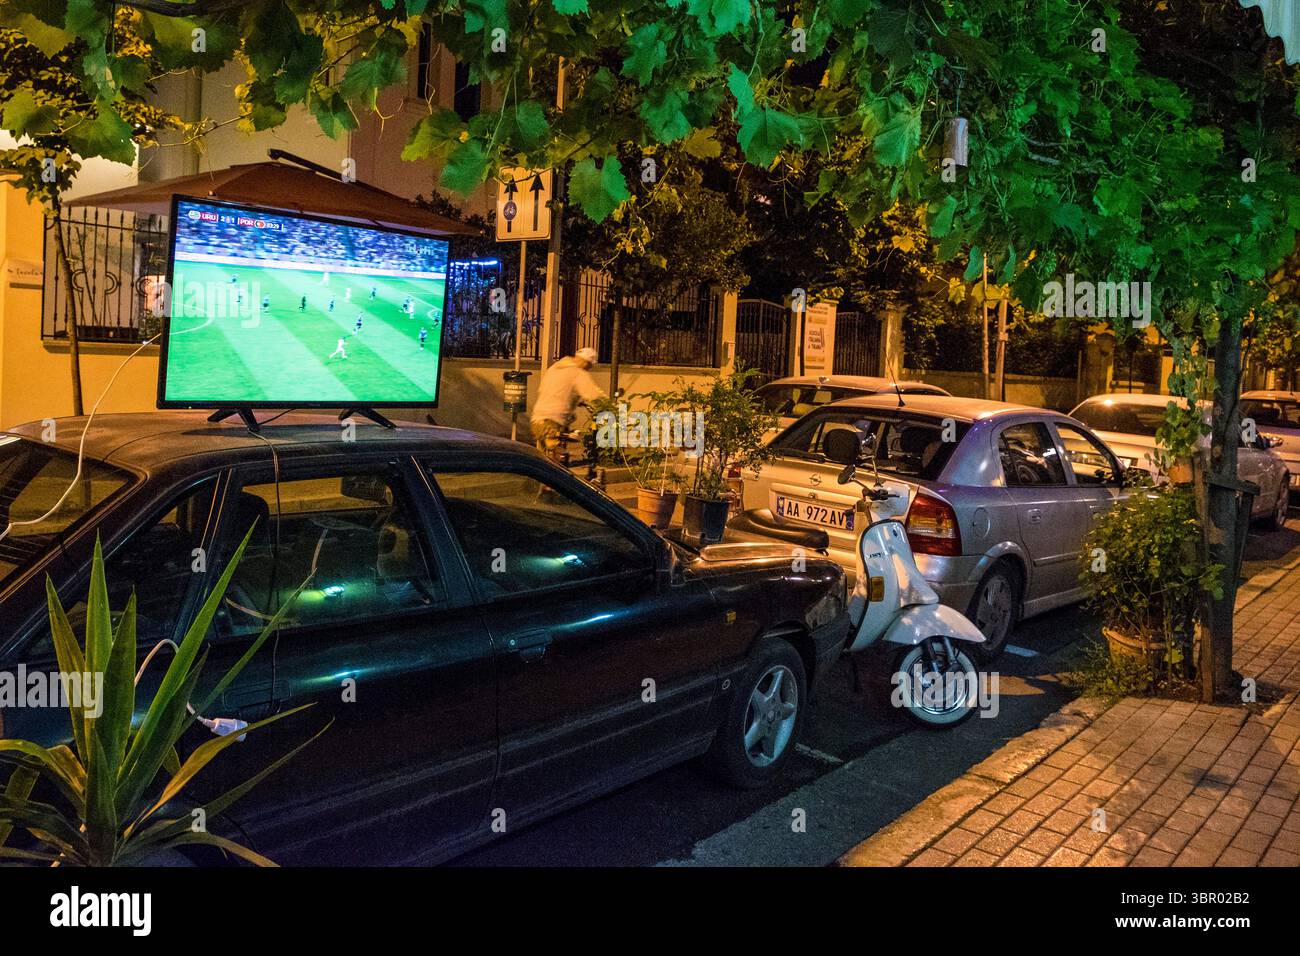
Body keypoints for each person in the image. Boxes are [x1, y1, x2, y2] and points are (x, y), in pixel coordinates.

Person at [530, 347, 605, 458]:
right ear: (586, 362)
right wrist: (609, 404)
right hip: (552, 423)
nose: (588, 369)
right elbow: (593, 395)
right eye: (590, 366)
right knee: (558, 461)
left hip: (537, 421)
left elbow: (545, 389)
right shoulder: (578, 373)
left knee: (544, 461)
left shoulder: (555, 368)